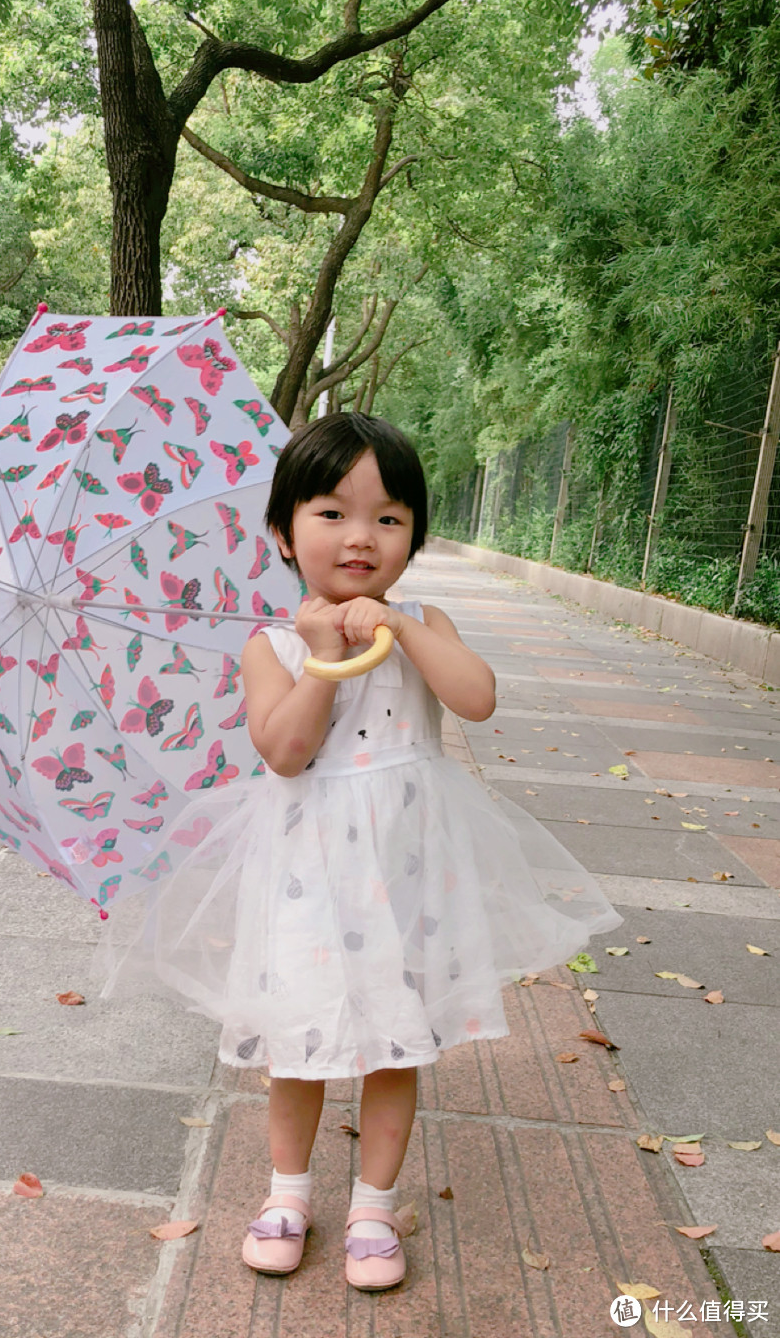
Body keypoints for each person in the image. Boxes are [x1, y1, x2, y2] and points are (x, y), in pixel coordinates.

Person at [96, 412, 623, 1291]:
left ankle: (374, 1207)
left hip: (409, 871)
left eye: (387, 518)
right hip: (306, 876)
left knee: (393, 1041)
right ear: (283, 531)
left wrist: (404, 629)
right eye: (332, 513)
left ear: (414, 534)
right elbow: (284, 752)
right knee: (298, 1039)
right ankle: (286, 1194)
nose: (359, 536)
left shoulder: (425, 620)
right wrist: (318, 657)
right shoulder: (268, 646)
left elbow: (477, 699)